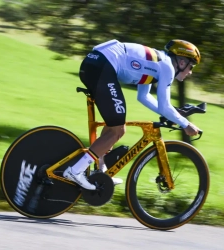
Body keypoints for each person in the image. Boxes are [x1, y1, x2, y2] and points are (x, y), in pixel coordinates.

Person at [63, 39, 201, 190]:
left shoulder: (155, 64)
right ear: (181, 62)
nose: (190, 72)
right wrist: (186, 124)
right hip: (103, 66)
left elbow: (144, 97)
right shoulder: (167, 67)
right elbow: (165, 106)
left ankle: (101, 171)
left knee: (113, 125)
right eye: (191, 66)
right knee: (118, 130)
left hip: (94, 63)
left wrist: (172, 115)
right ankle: (75, 170)